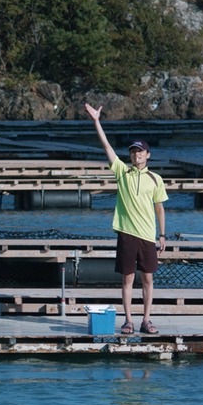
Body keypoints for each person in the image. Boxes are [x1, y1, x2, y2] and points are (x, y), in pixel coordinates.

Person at [86, 103, 168, 335]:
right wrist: (96, 122)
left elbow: (159, 208)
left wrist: (162, 235)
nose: (136, 154)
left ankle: (147, 320)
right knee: (127, 278)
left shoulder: (155, 178)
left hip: (148, 236)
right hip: (126, 233)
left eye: (140, 151)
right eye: (133, 151)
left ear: (148, 154)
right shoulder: (122, 171)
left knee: (149, 279)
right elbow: (107, 147)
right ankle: (128, 321)